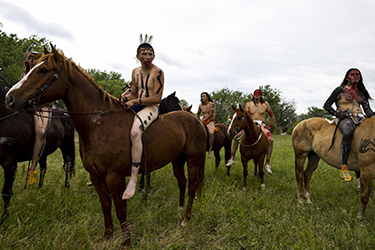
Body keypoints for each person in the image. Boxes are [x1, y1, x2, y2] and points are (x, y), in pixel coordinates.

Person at [121, 34, 164, 199]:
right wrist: (124, 98)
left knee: (134, 132)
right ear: (137, 56)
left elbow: (157, 98)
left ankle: (133, 179)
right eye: (144, 54)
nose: (147, 57)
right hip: (137, 103)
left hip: (151, 107)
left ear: (154, 56)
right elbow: (133, 93)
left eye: (150, 54)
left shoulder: (158, 72)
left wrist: (135, 101)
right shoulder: (135, 72)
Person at [323, 68, 374, 182]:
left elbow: (368, 111)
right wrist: (338, 115)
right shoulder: (339, 90)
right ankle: (344, 166)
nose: (355, 76)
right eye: (352, 74)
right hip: (345, 118)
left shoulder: (362, 93)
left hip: (360, 118)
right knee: (348, 131)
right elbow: (327, 105)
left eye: (357, 74)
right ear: (347, 77)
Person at [22, 44, 54, 185]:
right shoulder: (24, 75)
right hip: (25, 108)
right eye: (29, 58)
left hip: (42, 107)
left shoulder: (44, 75)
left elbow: (51, 99)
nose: (31, 61)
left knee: (40, 132)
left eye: (34, 58)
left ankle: (33, 168)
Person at [226, 89, 274, 174]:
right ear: (253, 95)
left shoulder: (265, 104)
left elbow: (272, 117)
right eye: (255, 94)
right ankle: (232, 158)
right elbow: (246, 115)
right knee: (236, 137)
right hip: (251, 124)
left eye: (258, 94)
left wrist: (269, 127)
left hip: (261, 124)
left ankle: (267, 163)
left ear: (261, 96)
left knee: (270, 140)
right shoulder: (249, 104)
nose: (257, 95)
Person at [196, 92, 216, 158]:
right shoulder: (201, 105)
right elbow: (198, 113)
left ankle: (210, 150)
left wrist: (203, 120)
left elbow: (210, 114)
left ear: (207, 97)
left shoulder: (211, 104)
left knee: (211, 133)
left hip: (210, 121)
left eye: (204, 96)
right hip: (203, 121)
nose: (202, 98)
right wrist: (198, 120)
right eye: (201, 96)